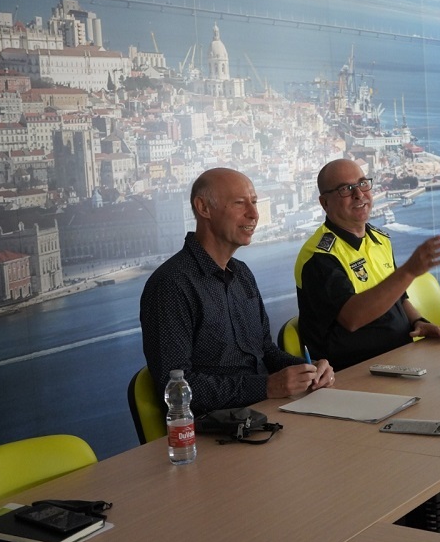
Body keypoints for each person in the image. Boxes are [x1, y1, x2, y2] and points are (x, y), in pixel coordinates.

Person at [140, 168, 334, 415]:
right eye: (240, 203)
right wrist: (266, 386)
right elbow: (175, 388)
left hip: (265, 413)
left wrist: (309, 370)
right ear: (204, 208)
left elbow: (266, 352)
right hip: (217, 433)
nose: (254, 214)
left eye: (254, 202)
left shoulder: (242, 273)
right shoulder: (170, 285)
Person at [294, 159, 440, 371]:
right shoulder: (318, 256)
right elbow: (353, 318)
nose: (359, 194)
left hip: (400, 357)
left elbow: (398, 296)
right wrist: (409, 271)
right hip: (353, 370)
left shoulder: (379, 239)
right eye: (346, 189)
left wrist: (418, 322)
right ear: (325, 203)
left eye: (363, 184)